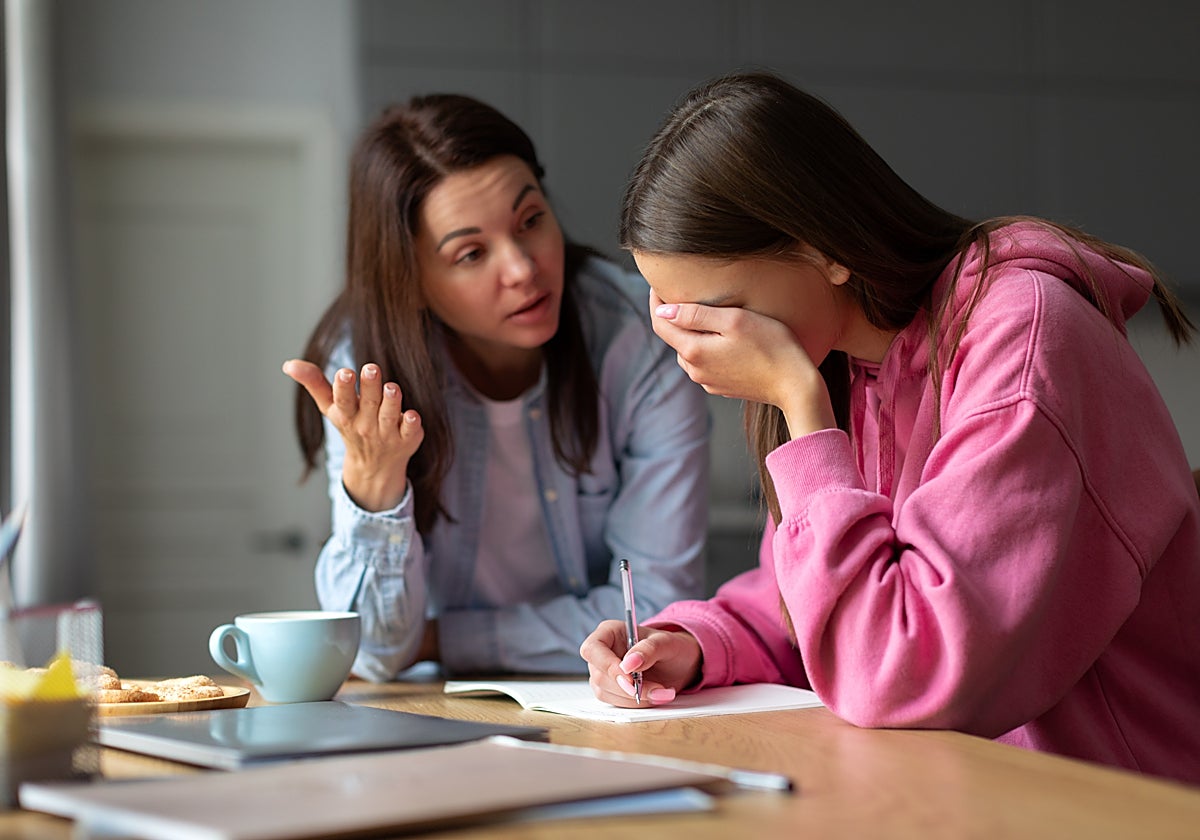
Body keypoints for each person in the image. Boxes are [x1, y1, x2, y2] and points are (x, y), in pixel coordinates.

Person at [580, 71, 1200, 784]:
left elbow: (901, 672)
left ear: (824, 249)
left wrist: (800, 410)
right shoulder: (854, 362)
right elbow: (822, 592)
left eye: (716, 309)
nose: (696, 345)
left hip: (1113, 795)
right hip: (954, 786)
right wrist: (695, 640)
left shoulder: (1023, 338)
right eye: (673, 312)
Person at [284, 94, 709, 680]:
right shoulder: (367, 368)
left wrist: (439, 639)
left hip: (598, 697)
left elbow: (655, 613)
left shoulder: (641, 337)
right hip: (435, 713)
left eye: (531, 220)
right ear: (408, 280)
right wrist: (374, 485)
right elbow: (374, 650)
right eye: (471, 253)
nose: (523, 268)